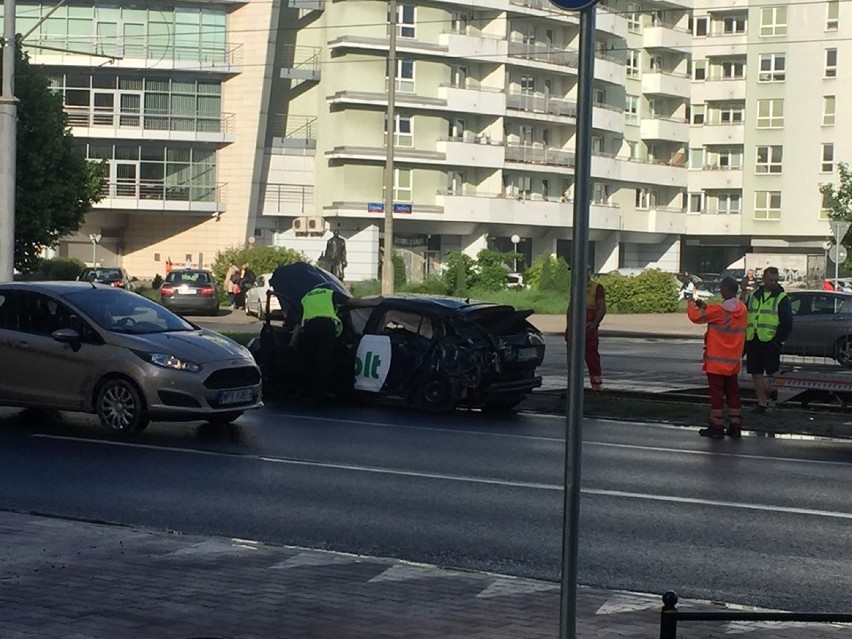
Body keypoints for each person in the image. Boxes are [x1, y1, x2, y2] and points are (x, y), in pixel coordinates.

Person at [687, 277, 748, 439]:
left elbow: (696, 317)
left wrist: (691, 303)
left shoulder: (719, 311)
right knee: (733, 393)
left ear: (727, 289)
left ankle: (717, 425)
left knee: (716, 395)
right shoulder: (742, 309)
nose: (720, 290)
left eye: (722, 288)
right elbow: (721, 314)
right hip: (733, 361)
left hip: (717, 362)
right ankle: (735, 425)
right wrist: (706, 306)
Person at [745, 266, 794, 414]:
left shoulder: (781, 297)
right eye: (770, 280)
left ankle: (772, 403)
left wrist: (777, 341)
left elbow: (787, 322)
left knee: (773, 374)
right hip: (754, 339)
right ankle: (762, 403)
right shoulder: (754, 295)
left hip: (770, 341)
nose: (773, 283)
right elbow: (748, 315)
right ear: (764, 279)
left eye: (775, 280)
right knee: (756, 373)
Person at [293, 283, 344, 402]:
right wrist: (374, 301)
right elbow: (353, 301)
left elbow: (298, 324)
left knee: (310, 360)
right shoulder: (330, 294)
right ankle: (321, 394)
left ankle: (308, 391)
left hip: (310, 329)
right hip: (326, 328)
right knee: (324, 361)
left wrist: (292, 342)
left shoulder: (306, 298)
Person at [565, 271, 606, 393]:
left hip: (588, 329)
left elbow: (602, 308)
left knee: (592, 359)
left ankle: (597, 388)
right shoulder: (575, 286)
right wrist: (569, 326)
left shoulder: (596, 287)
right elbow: (571, 308)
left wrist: (594, 324)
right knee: (572, 360)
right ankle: (574, 389)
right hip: (575, 329)